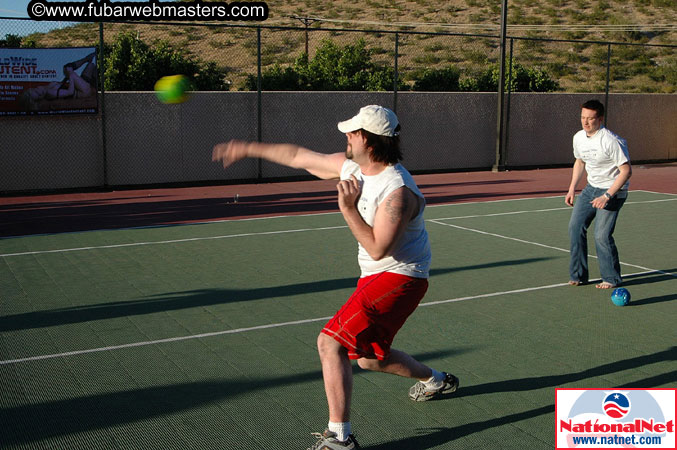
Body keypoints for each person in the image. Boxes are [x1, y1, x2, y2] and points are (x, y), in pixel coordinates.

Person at [212, 105, 459, 449]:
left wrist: (346, 208)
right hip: (377, 277)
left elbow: (377, 248)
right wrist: (247, 148)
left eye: (352, 132)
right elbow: (299, 156)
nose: (346, 135)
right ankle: (437, 380)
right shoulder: (354, 168)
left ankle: (339, 438)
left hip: (400, 276)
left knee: (330, 343)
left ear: (368, 141)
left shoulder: (397, 192)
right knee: (371, 358)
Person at [565, 99, 632, 289]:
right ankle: (578, 275)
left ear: (600, 119)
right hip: (591, 188)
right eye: (583, 117)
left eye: (590, 119)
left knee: (601, 236)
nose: (585, 122)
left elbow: (626, 171)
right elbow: (579, 162)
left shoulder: (611, 141)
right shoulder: (578, 137)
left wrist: (607, 196)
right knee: (575, 228)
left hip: (614, 191)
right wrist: (572, 188)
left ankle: (611, 278)